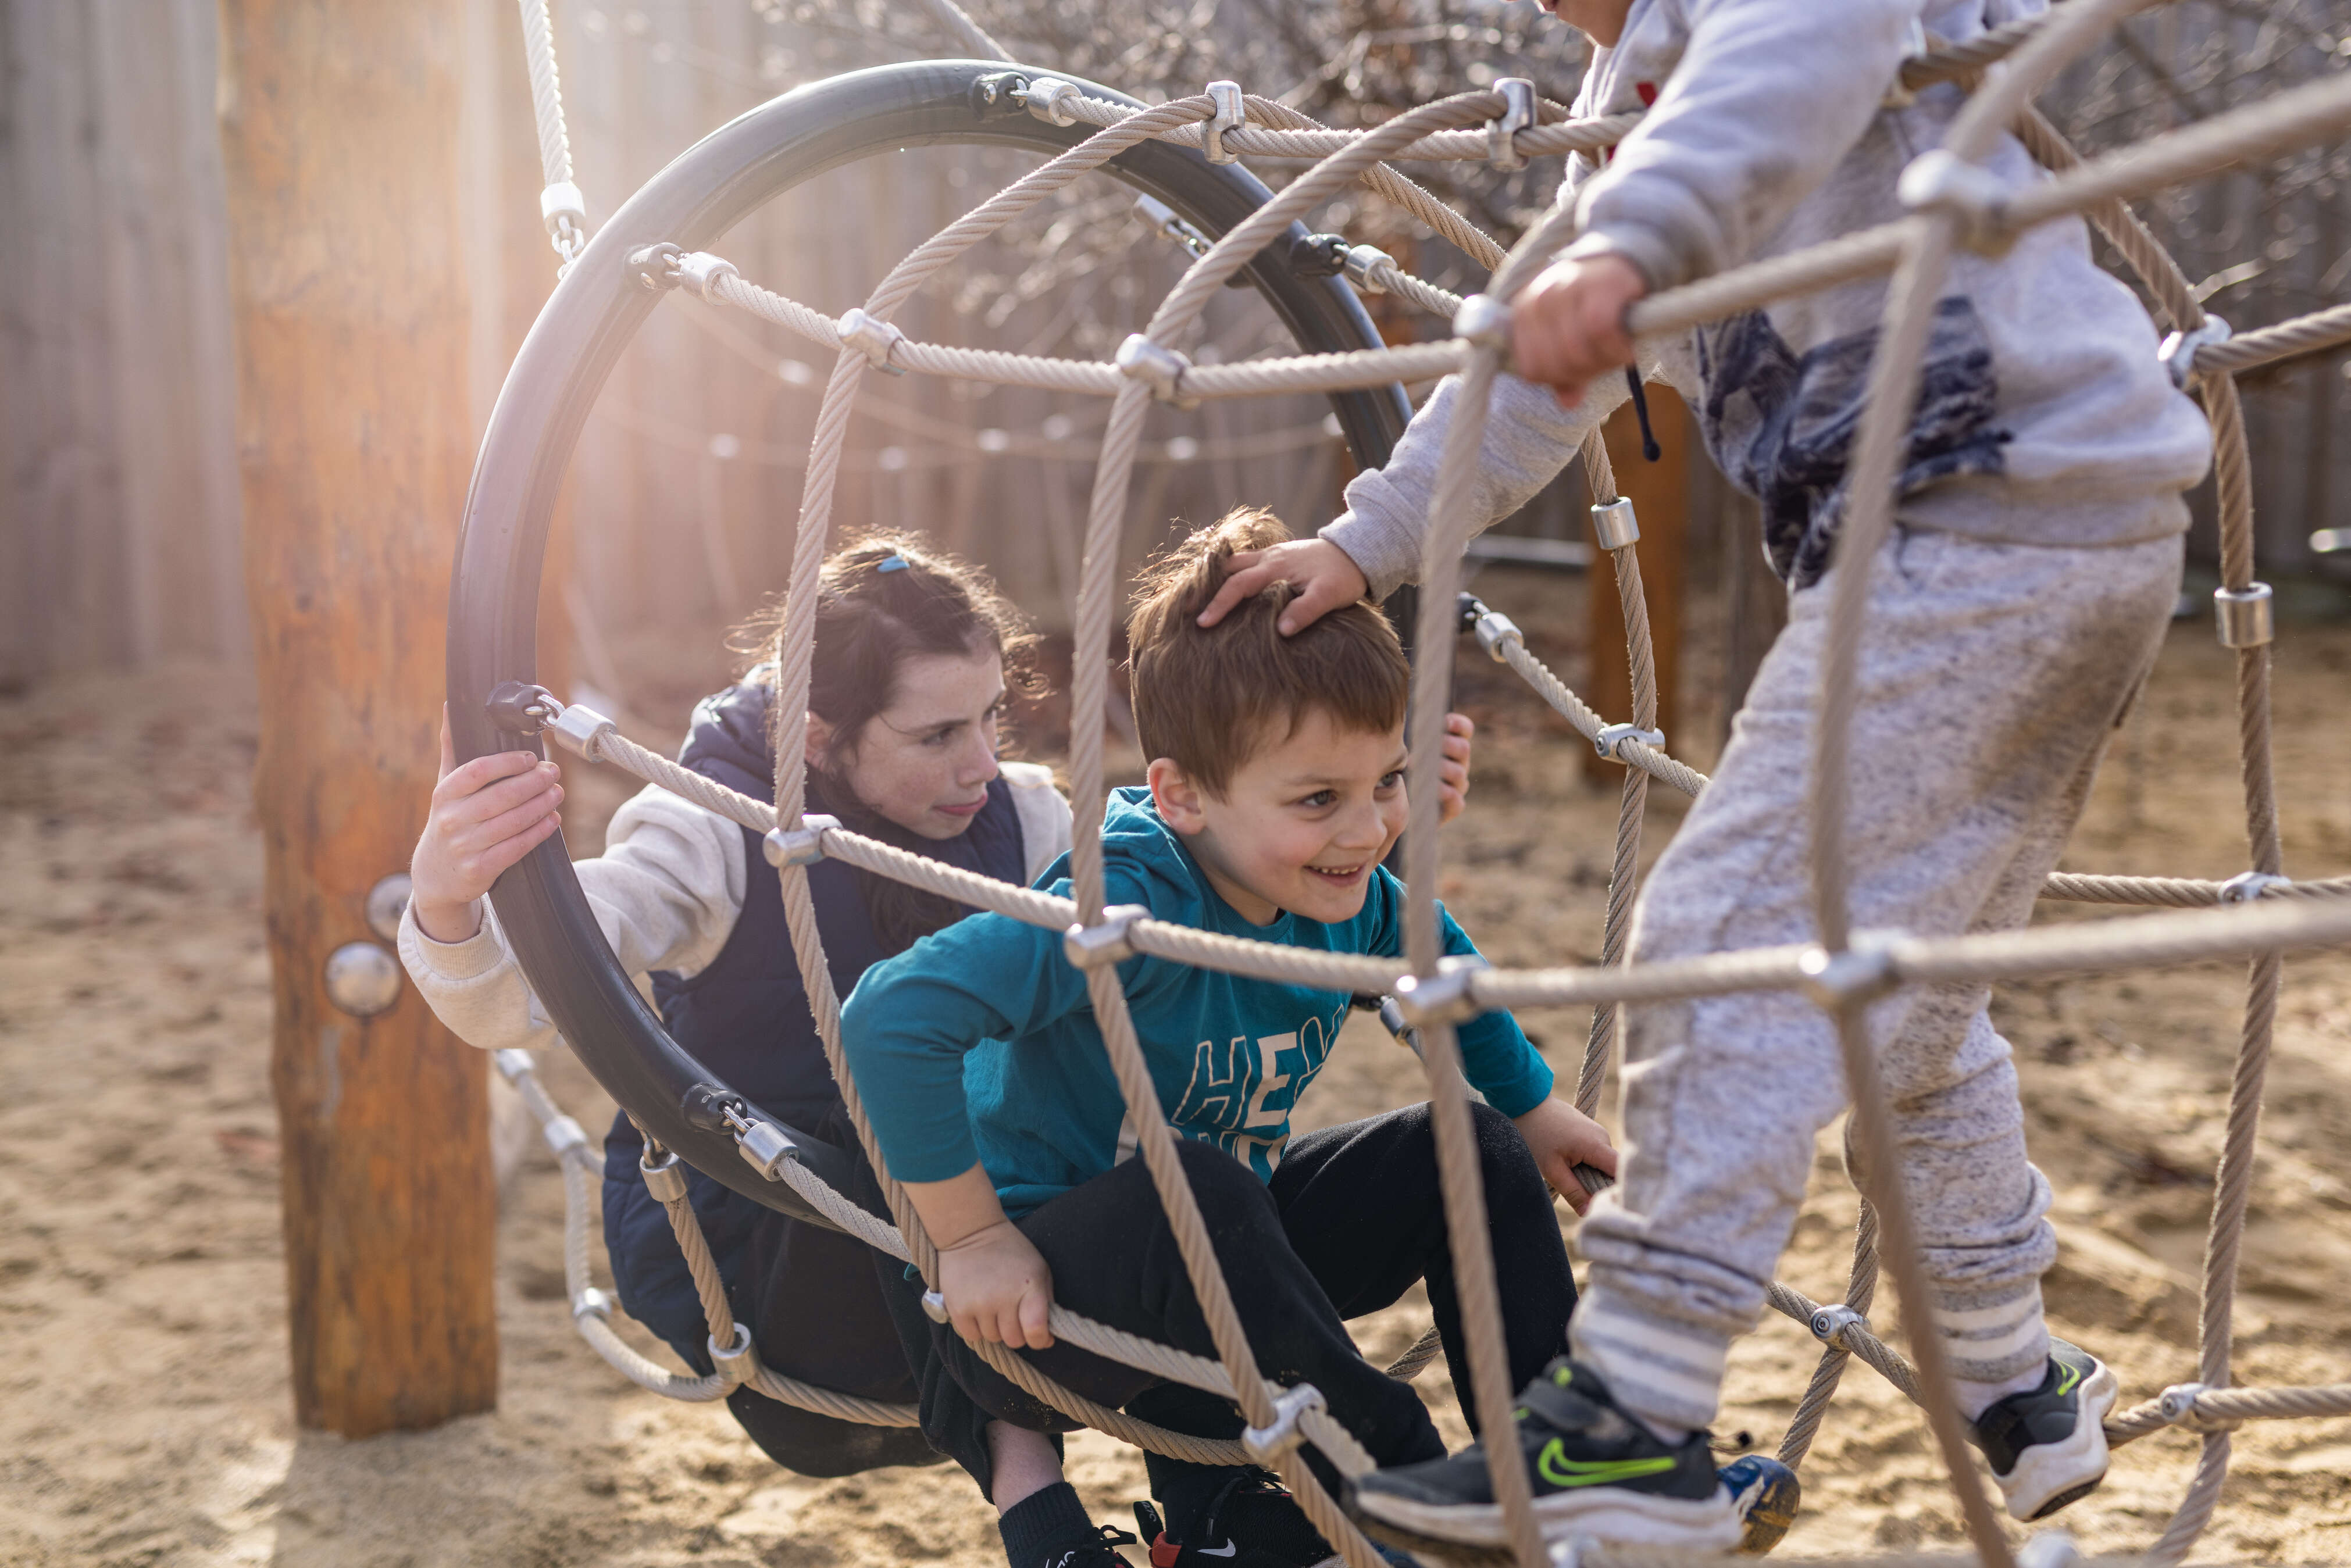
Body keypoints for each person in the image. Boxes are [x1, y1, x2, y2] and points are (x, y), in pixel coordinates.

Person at [1202, 0, 2210, 1552]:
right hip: (2053, 535)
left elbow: (1795, 51)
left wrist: (1635, 240)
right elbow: (1538, 380)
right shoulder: (1635, 105)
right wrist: (1367, 539)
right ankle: (2019, 1382)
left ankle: (1638, 1410)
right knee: (1905, 1007)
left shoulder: (1742, 47)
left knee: (1719, 931)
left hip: (1975, 515)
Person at [397, 533, 1479, 1568]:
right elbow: (526, 992)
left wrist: (1363, 815)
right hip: (781, 1259)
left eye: (992, 717)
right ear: (819, 738)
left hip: (994, 1265)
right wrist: (453, 899)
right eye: (935, 736)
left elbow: (1199, 912)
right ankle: (1035, 1500)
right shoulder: (710, 831)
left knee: (1142, 1139)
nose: (980, 762)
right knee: (899, 1092)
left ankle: (1214, 1504)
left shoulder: (1027, 820)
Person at [838, 509, 1625, 1568]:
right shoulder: (1125, 903)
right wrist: (973, 1239)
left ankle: (1558, 1469)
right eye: (1318, 799)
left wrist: (1530, 1107)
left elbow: (1431, 951)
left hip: (1224, 1273)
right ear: (1183, 796)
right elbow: (891, 1018)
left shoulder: (1330, 885)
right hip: (1039, 1309)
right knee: (1198, 1184)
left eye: (1384, 782)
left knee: (1469, 1146)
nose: (1366, 831)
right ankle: (1392, 1467)